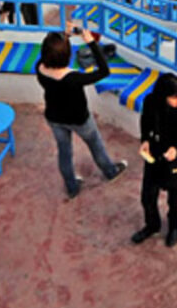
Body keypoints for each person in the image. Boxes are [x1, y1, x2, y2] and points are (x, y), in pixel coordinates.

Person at [36, 28, 127, 199]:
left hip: (54, 118)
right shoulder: (74, 78)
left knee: (64, 152)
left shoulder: (40, 68)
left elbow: (50, 54)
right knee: (95, 145)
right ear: (67, 55)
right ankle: (110, 171)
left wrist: (65, 36)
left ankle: (72, 187)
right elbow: (104, 71)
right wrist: (91, 42)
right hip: (79, 120)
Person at [131, 72, 177, 247]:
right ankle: (152, 225)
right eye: (175, 97)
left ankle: (174, 228)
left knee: (175, 199)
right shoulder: (151, 102)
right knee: (148, 196)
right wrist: (146, 140)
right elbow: (146, 122)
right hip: (155, 156)